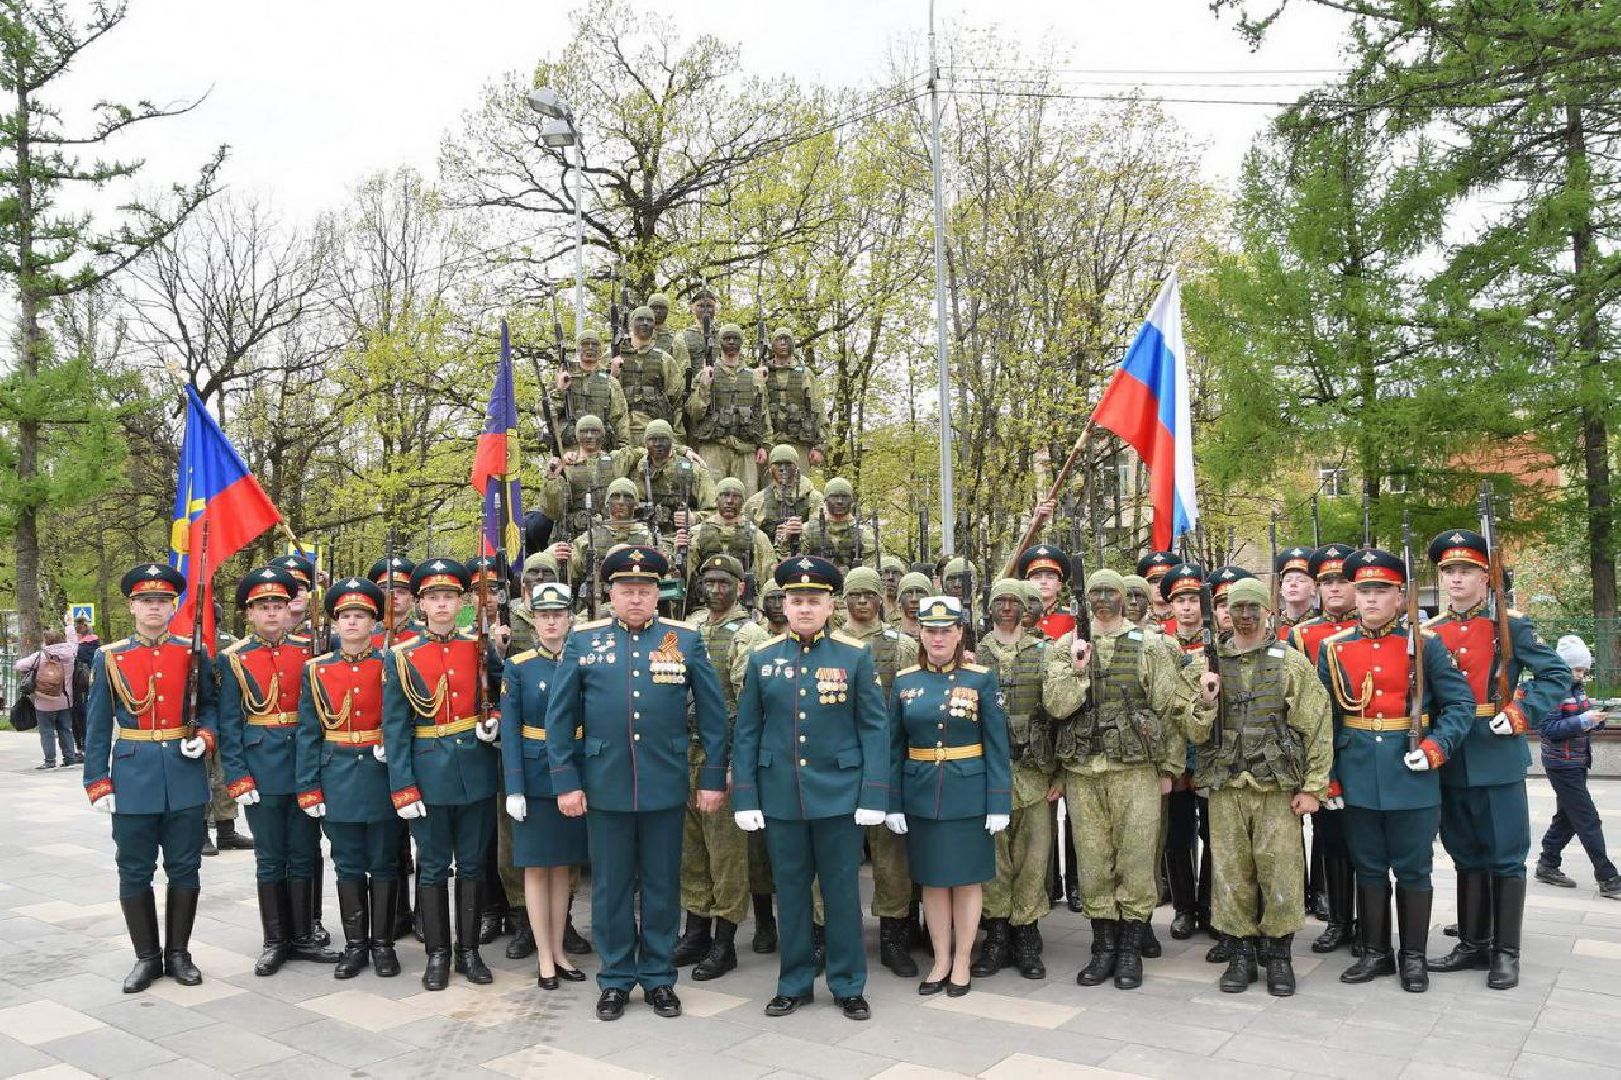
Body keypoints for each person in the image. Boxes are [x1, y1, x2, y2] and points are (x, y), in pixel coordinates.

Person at [545, 545, 730, 1021]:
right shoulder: (584, 641)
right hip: (604, 784)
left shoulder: (683, 641)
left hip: (665, 783)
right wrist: (566, 781)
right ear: (611, 594)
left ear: (657, 594)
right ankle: (615, 978)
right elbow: (560, 718)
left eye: (644, 590)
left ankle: (658, 977)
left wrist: (711, 776)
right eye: (626, 590)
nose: (635, 598)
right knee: (609, 887)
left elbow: (713, 715)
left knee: (662, 885)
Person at [732, 555, 889, 1021]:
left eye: (813, 600)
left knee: (842, 894)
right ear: (783, 604)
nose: (804, 608)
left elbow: (874, 729)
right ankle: (794, 981)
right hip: (782, 796)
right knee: (792, 892)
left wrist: (873, 794)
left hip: (839, 796)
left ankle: (847, 983)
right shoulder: (763, 660)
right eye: (796, 600)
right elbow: (747, 731)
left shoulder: (854, 657)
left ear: (829, 605)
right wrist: (745, 794)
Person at [1043, 568, 1213, 991]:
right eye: (1095, 592)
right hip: (1085, 771)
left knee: (1137, 861)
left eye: (1110, 593)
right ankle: (1103, 947)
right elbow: (1057, 706)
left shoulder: (1152, 646)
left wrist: (1170, 770)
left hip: (1136, 771)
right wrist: (1078, 671)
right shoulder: (1067, 647)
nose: (1102, 599)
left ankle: (1131, 948)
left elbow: (1170, 712)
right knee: (1094, 861)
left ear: (1124, 598)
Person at [1317, 547, 1475, 992]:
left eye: (1380, 590)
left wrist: (1434, 747)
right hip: (1357, 769)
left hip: (1412, 772)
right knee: (1367, 867)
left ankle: (1413, 957)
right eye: (1363, 589)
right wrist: (1326, 774)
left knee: (1413, 868)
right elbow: (1322, 718)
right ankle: (1374, 952)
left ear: (1400, 594)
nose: (1369, 599)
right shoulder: (1334, 649)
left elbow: (1460, 704)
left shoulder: (1426, 645)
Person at [1422, 529, 1570, 990]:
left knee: (1505, 856)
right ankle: (1472, 942)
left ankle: (1506, 952)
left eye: (1467, 570)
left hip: (1496, 750)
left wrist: (1522, 710)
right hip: (1451, 751)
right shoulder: (1430, 631)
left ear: (1487, 577)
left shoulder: (1513, 624)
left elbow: (1555, 673)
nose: (1457, 579)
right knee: (1465, 852)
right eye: (1450, 571)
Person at [1185, 577, 1333, 997]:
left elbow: (1317, 725)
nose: (1245, 615)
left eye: (1254, 607)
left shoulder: (1289, 662)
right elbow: (1190, 731)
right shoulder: (1206, 664)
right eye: (1237, 608)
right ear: (1226, 613)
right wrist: (1206, 702)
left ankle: (1280, 955)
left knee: (1280, 871)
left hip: (1275, 788)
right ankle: (1240, 954)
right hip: (1227, 786)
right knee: (1231, 873)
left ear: (1267, 612)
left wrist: (1314, 787)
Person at [82, 562, 216, 993]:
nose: (154, 608)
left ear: (174, 606)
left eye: (162, 601)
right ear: (132, 606)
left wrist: (206, 738)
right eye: (146, 601)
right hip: (134, 774)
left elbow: (210, 707)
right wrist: (97, 780)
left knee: (185, 868)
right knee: (134, 870)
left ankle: (178, 953)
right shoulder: (110, 656)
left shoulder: (192, 652)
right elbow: (98, 723)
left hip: (183, 772)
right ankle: (146, 956)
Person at [382, 558, 503, 991]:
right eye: (433, 597)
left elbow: (501, 694)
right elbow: (394, 728)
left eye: (449, 596)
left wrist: (497, 720)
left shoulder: (480, 647)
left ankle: (469, 951)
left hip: (475, 768)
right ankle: (438, 952)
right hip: (428, 773)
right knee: (432, 867)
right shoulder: (402, 656)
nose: (442, 605)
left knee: (472, 865)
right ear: (420, 604)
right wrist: (402, 785)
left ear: (462, 600)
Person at [886, 595, 1011, 997]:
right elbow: (893, 746)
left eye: (946, 630)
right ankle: (940, 959)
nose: (938, 637)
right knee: (933, 881)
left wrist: (998, 801)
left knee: (967, 881)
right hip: (921, 793)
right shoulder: (905, 682)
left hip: (968, 793)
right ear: (920, 634)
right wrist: (893, 802)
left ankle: (962, 961)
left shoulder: (981, 679)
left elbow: (996, 744)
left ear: (959, 634)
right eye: (930, 630)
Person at [219, 566, 339, 976]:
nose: (271, 613)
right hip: (260, 768)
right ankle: (275, 939)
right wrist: (236, 776)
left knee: (305, 853)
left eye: (278, 606)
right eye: (262, 607)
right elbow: (228, 723)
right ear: (249, 613)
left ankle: (304, 934)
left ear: (290, 610)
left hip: (306, 766)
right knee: (270, 857)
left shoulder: (310, 651)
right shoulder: (234, 658)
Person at [294, 576, 404, 980]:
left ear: (374, 622)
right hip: (336, 772)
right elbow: (308, 732)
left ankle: (384, 944)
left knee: (385, 862)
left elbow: (400, 719)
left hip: (380, 774)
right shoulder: (316, 669)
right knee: (348, 864)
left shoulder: (391, 663)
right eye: (346, 616)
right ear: (335, 623)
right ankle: (356, 945)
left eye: (361, 616)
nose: (353, 623)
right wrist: (308, 786)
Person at [675, 555, 771, 977]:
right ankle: (695, 930)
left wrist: (733, 762)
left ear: (741, 587)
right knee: (690, 850)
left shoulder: (749, 633)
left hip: (721, 754)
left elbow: (747, 705)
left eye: (724, 582)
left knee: (726, 854)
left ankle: (724, 939)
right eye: (709, 582)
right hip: (684, 752)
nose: (716, 590)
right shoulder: (690, 628)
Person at [500, 581, 591, 989]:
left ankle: (559, 949)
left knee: (563, 868)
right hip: (535, 778)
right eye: (543, 615)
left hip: (574, 773)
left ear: (570, 618)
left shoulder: (583, 661)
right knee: (537, 869)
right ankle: (544, 957)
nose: (551, 622)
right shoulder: (519, 666)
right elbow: (512, 731)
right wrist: (514, 787)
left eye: (558, 614)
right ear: (532, 621)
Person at [842, 566, 923, 978]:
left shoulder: (903, 646)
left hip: (886, 762)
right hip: (837, 767)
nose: (861, 602)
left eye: (868, 594)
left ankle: (894, 935)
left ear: (881, 600)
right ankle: (831, 936)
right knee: (837, 856)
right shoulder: (829, 642)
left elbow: (912, 705)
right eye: (853, 594)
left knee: (892, 857)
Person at [975, 578, 1053, 980]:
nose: (1007, 607)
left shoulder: (1044, 652)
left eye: (1014, 601)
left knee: (1032, 859)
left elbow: (1060, 715)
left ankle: (1027, 933)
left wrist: (1058, 772)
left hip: (1034, 772)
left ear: (1027, 609)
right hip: (987, 775)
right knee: (993, 860)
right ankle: (997, 934)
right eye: (999, 601)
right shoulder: (973, 652)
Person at [1288, 543, 1359, 953]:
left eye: (1342, 580)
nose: (1334, 588)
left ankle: (1369, 918)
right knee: (1330, 837)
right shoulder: (1304, 633)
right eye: (1327, 581)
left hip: (1364, 746)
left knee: (1365, 840)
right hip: (1321, 749)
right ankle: (1337, 918)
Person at [1535, 636, 1620, 899]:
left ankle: (1547, 863)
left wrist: (1596, 720)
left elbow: (1580, 719)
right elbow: (1548, 729)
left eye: (1584, 669)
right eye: (1578, 669)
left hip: (1578, 761)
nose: (1582, 674)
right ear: (1563, 666)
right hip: (1562, 764)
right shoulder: (1553, 689)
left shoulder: (1576, 688)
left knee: (1568, 816)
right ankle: (1608, 877)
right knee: (1587, 818)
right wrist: (1583, 720)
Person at [1157, 563, 1210, 944]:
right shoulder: (1160, 644)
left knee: (1213, 834)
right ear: (1171, 605)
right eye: (1181, 601)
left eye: (1193, 599)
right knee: (1177, 837)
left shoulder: (1218, 644)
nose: (1187, 608)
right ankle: (1183, 908)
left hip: (1208, 754)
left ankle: (1208, 905)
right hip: (1174, 755)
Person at [686, 322, 772, 492]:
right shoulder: (706, 374)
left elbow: (762, 414)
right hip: (714, 447)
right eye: (727, 338)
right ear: (720, 342)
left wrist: (765, 445)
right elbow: (693, 413)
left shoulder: (754, 377)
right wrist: (704, 386)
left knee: (747, 498)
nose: (731, 342)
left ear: (741, 343)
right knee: (712, 496)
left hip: (745, 448)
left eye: (735, 338)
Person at [689, 477, 776, 605]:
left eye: (736, 497)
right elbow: (684, 575)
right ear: (716, 499)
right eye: (725, 495)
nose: (730, 501)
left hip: (743, 607)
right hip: (703, 608)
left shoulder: (757, 537)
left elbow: (768, 579)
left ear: (743, 501)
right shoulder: (697, 533)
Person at [758, 327, 826, 478]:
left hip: (798, 444)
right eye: (779, 339)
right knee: (769, 492)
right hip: (769, 444)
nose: (783, 342)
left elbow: (818, 409)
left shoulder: (805, 374)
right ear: (772, 345)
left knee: (800, 489)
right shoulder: (762, 372)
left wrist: (820, 447)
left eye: (786, 339)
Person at [17, 615, 81, 769]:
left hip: (44, 701)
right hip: (66, 701)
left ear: (47, 642)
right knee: (66, 729)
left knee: (47, 732)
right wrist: (69, 625)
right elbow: (74, 641)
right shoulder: (71, 653)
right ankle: (69, 758)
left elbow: (19, 666)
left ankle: (50, 761)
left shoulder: (40, 656)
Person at [614, 305, 684, 444]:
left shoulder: (665, 360)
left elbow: (677, 403)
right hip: (620, 435)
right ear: (631, 323)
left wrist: (677, 438)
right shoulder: (613, 357)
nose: (645, 323)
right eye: (640, 319)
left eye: (649, 320)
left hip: (655, 435)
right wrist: (613, 373)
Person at [552, 331, 630, 452]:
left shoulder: (610, 382)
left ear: (600, 351)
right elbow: (544, 413)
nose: (589, 348)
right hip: (570, 453)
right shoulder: (563, 377)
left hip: (601, 452)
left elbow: (620, 419)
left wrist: (623, 451)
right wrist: (559, 390)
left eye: (594, 345)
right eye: (585, 344)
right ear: (578, 350)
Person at [744, 445, 824, 558]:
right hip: (768, 560)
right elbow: (744, 533)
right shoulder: (756, 502)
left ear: (796, 468)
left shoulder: (814, 498)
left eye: (788, 464)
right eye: (778, 464)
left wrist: (801, 530)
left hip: (804, 560)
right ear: (770, 468)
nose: (783, 469)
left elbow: (822, 532)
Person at [801, 479, 879, 574]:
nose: (840, 501)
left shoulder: (864, 533)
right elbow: (797, 561)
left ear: (852, 501)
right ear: (825, 500)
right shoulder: (808, 530)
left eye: (845, 497)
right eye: (834, 497)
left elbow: (872, 567)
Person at [1274, 546, 1318, 638]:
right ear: (1281, 589)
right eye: (1288, 580)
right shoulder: (1270, 628)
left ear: (1314, 587)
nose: (1293, 584)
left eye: (1300, 580)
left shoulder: (1323, 625)